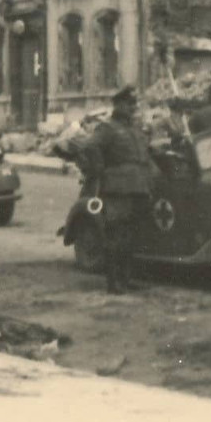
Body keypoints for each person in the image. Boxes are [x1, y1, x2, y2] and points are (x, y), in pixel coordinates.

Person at [83, 85, 158, 294]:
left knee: (132, 235)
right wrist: (100, 170)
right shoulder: (108, 128)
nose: (132, 107)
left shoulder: (135, 129)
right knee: (116, 235)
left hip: (139, 188)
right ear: (118, 105)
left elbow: (144, 155)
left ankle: (126, 278)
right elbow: (91, 147)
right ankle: (114, 282)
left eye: (134, 104)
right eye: (128, 104)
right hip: (117, 189)